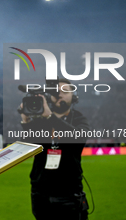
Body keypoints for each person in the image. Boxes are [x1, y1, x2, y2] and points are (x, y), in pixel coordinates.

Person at [19, 78, 90, 220]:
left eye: (65, 91)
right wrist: (25, 121)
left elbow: (78, 138)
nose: (60, 94)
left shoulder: (79, 119)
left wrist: (50, 116)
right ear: (49, 96)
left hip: (69, 195)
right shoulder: (40, 120)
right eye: (56, 91)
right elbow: (28, 145)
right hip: (41, 195)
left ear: (73, 96)